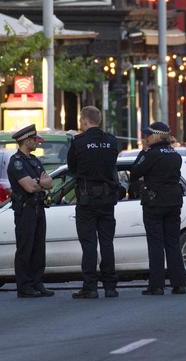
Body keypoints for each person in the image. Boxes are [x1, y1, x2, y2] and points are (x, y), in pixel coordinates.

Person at [67, 106, 120, 299]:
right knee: (107, 243)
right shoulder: (112, 141)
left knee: (89, 244)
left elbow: (72, 168)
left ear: (84, 121)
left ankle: (90, 286)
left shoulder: (79, 142)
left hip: (87, 199)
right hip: (107, 199)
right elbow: (113, 164)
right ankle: (110, 286)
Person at [130, 122, 186, 296]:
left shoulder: (152, 154)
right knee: (173, 243)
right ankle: (179, 284)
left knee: (156, 244)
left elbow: (135, 172)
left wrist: (142, 152)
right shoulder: (175, 155)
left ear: (155, 136)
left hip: (155, 203)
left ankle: (157, 285)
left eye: (148, 136)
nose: (146, 139)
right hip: (174, 202)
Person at [7, 125, 55, 298]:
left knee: (38, 248)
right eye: (34, 140)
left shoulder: (34, 160)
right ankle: (24, 286)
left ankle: (37, 282)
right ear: (26, 140)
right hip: (25, 210)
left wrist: (39, 183)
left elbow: (50, 183)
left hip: (38, 207)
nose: (36, 142)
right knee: (25, 248)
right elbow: (29, 186)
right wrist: (39, 182)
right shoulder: (16, 162)